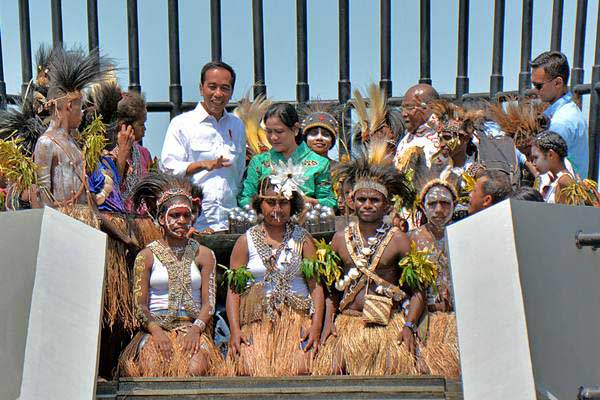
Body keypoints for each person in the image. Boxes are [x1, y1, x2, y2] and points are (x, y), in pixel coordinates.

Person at [314, 155, 425, 376]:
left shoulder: (399, 239)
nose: (367, 205)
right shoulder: (338, 239)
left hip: (388, 327)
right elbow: (330, 292)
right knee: (333, 375)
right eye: (361, 199)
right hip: (348, 325)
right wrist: (328, 324)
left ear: (386, 205)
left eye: (374, 200)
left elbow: (417, 291)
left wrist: (409, 327)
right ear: (351, 202)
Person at [119, 173, 222, 377]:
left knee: (195, 368)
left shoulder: (204, 255)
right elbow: (139, 305)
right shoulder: (146, 256)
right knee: (154, 367)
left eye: (187, 215)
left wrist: (195, 330)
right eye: (175, 216)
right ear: (161, 219)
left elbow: (208, 304)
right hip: (154, 330)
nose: (182, 221)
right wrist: (156, 331)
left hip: (191, 329)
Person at [226, 174, 324, 376]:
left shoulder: (303, 240)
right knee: (247, 368)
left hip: (295, 319)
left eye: (283, 203)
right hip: (257, 321)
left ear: (292, 205)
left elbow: (316, 287)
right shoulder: (245, 241)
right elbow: (233, 292)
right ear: (260, 205)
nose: (277, 210)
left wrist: (315, 327)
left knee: (301, 368)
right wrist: (235, 330)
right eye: (271, 203)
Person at [161, 61, 246, 233]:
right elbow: (167, 168)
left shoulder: (237, 126)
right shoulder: (182, 124)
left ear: (231, 92)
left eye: (225, 88)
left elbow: (238, 174)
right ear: (201, 88)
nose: (218, 94)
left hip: (229, 223)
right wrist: (201, 165)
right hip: (194, 224)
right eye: (212, 87)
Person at [237, 103, 337, 208]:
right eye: (269, 131)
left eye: (279, 131)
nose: (273, 137)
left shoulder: (319, 163)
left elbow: (330, 202)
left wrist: (308, 202)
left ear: (295, 129)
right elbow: (245, 197)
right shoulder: (259, 162)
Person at [408, 179, 461, 378]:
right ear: (423, 207)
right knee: (423, 368)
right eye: (432, 204)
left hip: (456, 317)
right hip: (425, 318)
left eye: (445, 203)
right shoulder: (411, 238)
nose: (439, 209)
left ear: (454, 205)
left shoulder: (463, 234)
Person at [531, 51, 588, 177]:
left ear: (558, 83)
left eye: (539, 86)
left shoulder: (560, 122)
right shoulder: (570, 111)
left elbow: (547, 170)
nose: (535, 90)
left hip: (559, 194)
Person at [394, 84, 448, 176]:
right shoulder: (406, 138)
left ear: (430, 107)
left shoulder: (446, 136)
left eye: (409, 107)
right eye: (402, 108)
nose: (404, 113)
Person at [530, 131, 574, 204]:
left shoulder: (564, 182)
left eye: (536, 157)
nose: (533, 163)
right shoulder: (553, 180)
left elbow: (564, 214)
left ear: (550, 155)